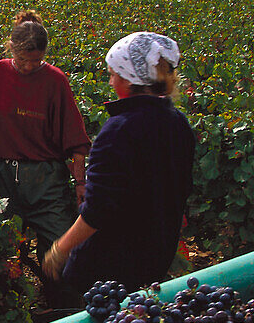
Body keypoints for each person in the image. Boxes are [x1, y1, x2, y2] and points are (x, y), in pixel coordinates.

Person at [43, 32, 196, 302]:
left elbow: (97, 211)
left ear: (129, 79)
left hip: (110, 268)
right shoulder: (178, 123)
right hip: (156, 257)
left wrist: (60, 248)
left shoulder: (118, 131)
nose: (111, 80)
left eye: (113, 73)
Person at [0, 10, 91, 309]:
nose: (28, 66)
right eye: (22, 60)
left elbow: (75, 137)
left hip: (44, 178)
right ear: (10, 50)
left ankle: (64, 312)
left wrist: (80, 181)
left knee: (59, 247)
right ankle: (1, 314)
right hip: (2, 175)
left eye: (35, 61)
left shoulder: (55, 80)